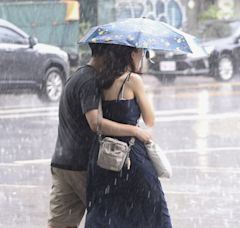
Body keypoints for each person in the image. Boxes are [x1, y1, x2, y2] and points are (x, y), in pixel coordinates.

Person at [48, 43, 152, 228]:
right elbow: (96, 123)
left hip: (62, 163)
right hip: (82, 165)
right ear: (107, 54)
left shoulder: (77, 75)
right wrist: (134, 130)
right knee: (109, 218)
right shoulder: (90, 81)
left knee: (61, 224)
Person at [84, 43, 172, 228]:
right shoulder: (133, 80)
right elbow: (150, 119)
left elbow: (98, 122)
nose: (143, 57)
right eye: (142, 52)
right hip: (132, 156)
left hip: (105, 158)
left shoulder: (100, 80)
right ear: (131, 54)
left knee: (110, 212)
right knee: (151, 209)